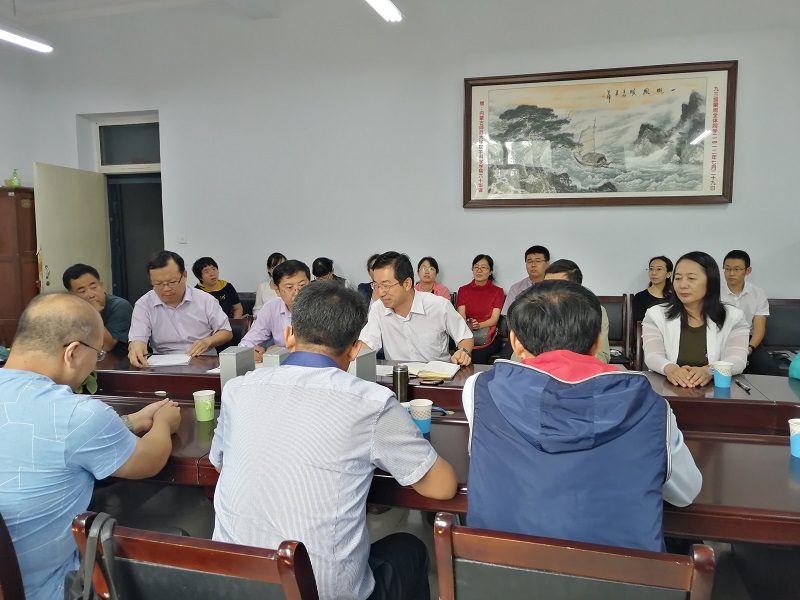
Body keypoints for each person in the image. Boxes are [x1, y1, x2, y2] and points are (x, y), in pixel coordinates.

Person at [211, 282, 457, 600]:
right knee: (410, 548)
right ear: (354, 349)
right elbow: (442, 487)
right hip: (320, 593)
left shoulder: (237, 389)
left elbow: (220, 465)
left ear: (289, 336)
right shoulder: (371, 402)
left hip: (230, 586)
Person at [462, 280, 702, 552]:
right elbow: (686, 493)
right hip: (619, 574)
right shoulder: (651, 406)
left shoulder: (480, 390)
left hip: (498, 568)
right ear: (597, 342)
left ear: (515, 342)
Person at [0, 294, 181, 600]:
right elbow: (148, 461)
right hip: (54, 589)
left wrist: (130, 422)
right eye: (97, 354)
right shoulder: (77, 414)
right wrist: (164, 423)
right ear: (72, 352)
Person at [643, 251, 750, 388]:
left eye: (691, 278)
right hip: (667, 389)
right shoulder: (656, 314)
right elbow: (652, 356)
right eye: (678, 278)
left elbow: (738, 359)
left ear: (710, 282)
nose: (682, 285)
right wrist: (671, 370)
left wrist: (709, 371)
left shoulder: (734, 317)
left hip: (715, 391)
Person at [358, 251, 474, 365]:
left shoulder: (439, 306)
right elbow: (367, 343)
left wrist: (463, 352)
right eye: (376, 286)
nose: (380, 293)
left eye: (386, 286)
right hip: (397, 374)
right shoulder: (378, 308)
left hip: (437, 374)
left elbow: (465, 337)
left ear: (407, 284)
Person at [128, 251, 232, 366]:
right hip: (164, 365)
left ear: (185, 275)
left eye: (172, 282)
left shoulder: (205, 300)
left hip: (203, 362)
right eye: (158, 284)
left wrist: (207, 341)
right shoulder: (144, 304)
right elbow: (137, 338)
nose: (166, 289)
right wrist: (136, 346)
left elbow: (226, 332)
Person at [720, 250, 781, 376]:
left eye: (737, 269)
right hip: (720, 338)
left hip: (747, 340)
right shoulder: (714, 292)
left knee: (771, 370)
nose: (731, 273)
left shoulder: (758, 293)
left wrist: (749, 348)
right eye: (727, 269)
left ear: (748, 271)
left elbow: (759, 328)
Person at [537, 259, 610, 363]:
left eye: (558, 285)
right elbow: (519, 357)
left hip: (580, 370)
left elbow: (602, 356)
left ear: (577, 288)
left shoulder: (596, 311)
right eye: (546, 285)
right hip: (540, 370)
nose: (550, 291)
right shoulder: (533, 311)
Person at [239, 260, 310, 361]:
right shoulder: (271, 308)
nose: (297, 292)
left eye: (302, 285)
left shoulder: (324, 307)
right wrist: (249, 352)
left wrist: (285, 352)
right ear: (277, 290)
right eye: (289, 287)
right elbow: (247, 342)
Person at [62, 263, 133, 353]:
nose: (91, 295)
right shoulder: (68, 310)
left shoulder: (120, 306)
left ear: (102, 286)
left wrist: (94, 314)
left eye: (94, 287)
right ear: (72, 296)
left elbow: (107, 346)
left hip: (115, 357)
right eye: (82, 291)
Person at [456, 254, 504, 364]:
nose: (479, 270)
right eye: (476, 267)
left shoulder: (498, 291)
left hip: (489, 335)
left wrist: (479, 325)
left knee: (478, 356)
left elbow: (494, 319)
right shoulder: (463, 290)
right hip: (467, 331)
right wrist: (470, 324)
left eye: (483, 267)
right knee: (461, 354)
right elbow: (461, 316)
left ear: (490, 271)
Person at [500, 245, 550, 315]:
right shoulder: (516, 288)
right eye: (529, 261)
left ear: (547, 264)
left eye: (538, 261)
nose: (533, 265)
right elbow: (506, 315)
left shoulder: (554, 287)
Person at [632, 256, 674, 324]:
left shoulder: (675, 297)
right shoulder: (640, 297)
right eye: (651, 269)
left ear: (668, 274)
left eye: (659, 269)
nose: (653, 273)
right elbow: (639, 323)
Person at [253, 252, 286, 318]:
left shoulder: (292, 286)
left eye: (282, 266)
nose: (279, 270)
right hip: (267, 320)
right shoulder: (262, 287)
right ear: (268, 269)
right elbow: (257, 310)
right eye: (275, 267)